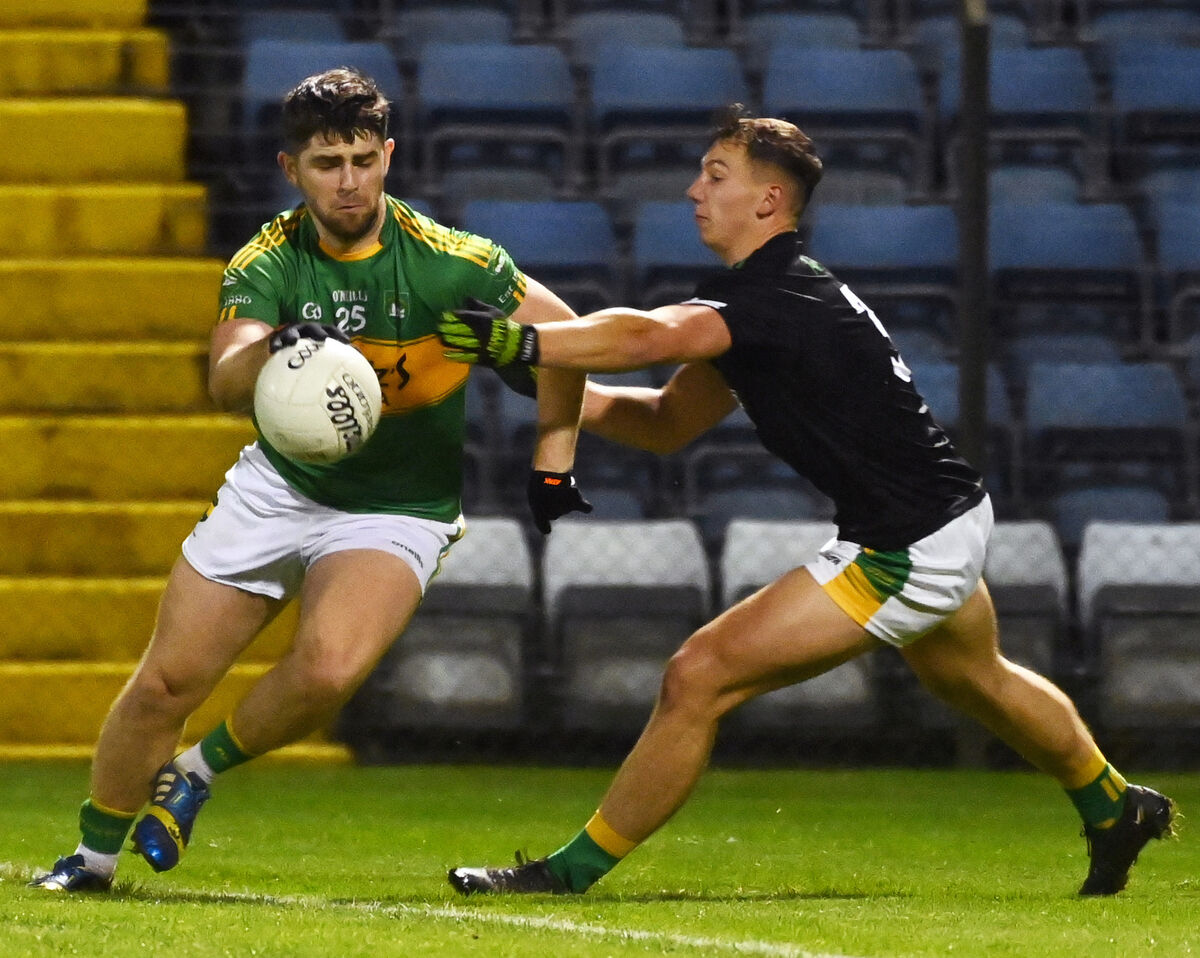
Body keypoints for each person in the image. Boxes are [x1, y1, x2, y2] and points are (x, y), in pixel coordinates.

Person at [436, 106, 1177, 898]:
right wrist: (546, 385)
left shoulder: (775, 298)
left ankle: (566, 874)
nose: (693, 191)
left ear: (769, 202)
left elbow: (649, 335)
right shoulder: (764, 304)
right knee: (976, 678)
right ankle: (1115, 807)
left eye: (716, 176)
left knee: (698, 674)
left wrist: (527, 342)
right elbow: (665, 422)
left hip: (907, 543)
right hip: (940, 518)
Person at [29, 66, 590, 892]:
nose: (350, 180)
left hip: (398, 507)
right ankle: (92, 859)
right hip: (279, 488)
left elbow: (570, 341)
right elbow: (222, 382)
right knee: (164, 684)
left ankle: (194, 773)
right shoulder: (268, 260)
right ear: (292, 169)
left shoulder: (454, 263)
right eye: (328, 164)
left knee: (327, 670)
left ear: (389, 155)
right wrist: (270, 345)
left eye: (364, 158)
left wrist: (552, 466)